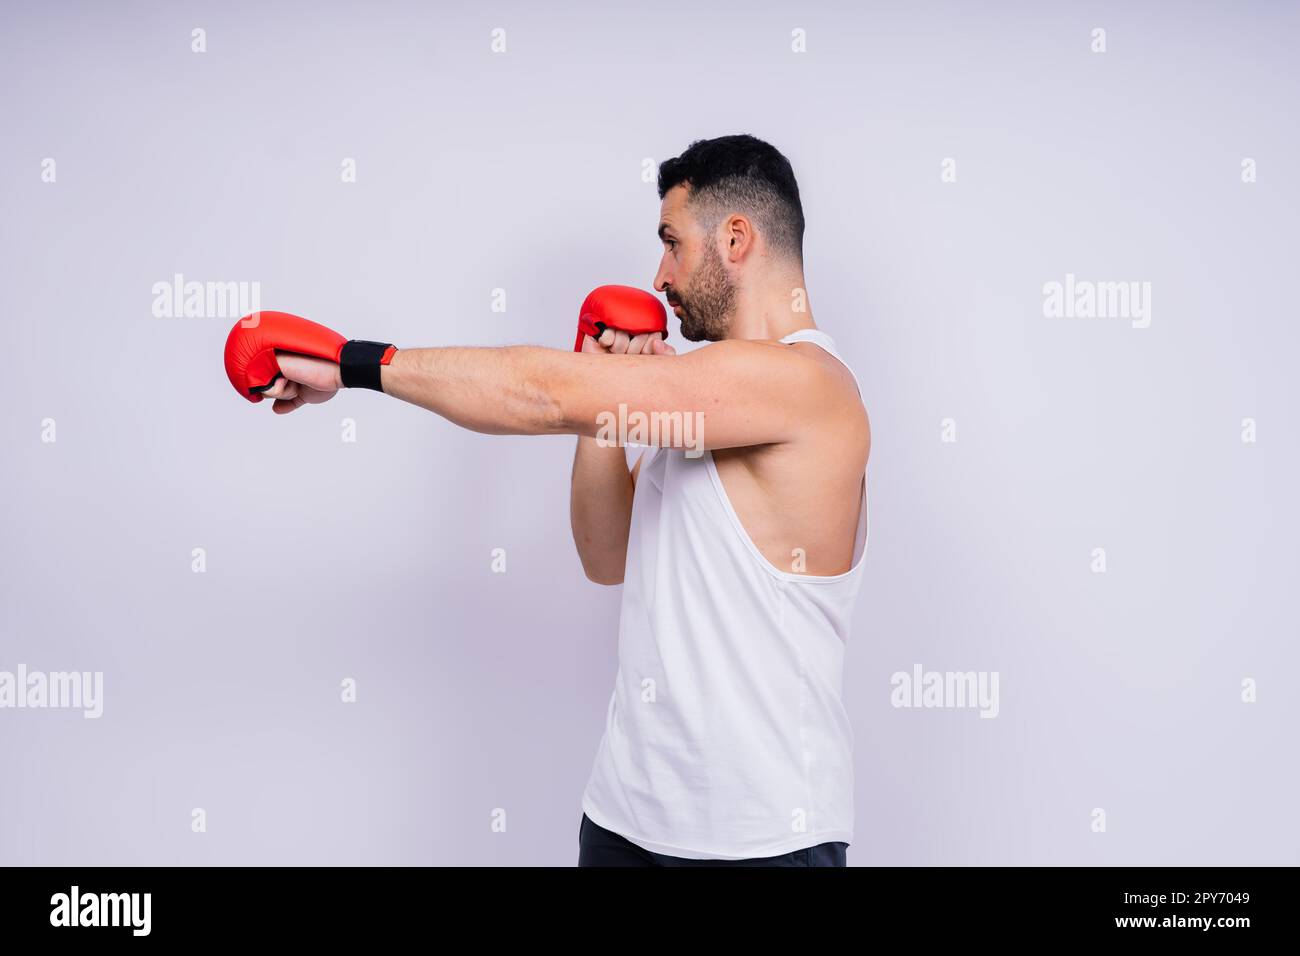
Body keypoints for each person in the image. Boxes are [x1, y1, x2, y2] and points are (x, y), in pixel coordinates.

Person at [230, 134, 871, 866]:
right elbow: (604, 556)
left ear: (735, 237)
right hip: (626, 817)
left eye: (672, 244)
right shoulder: (705, 398)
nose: (659, 276)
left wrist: (353, 363)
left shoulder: (805, 385)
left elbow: (543, 393)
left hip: (763, 838)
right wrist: (605, 395)